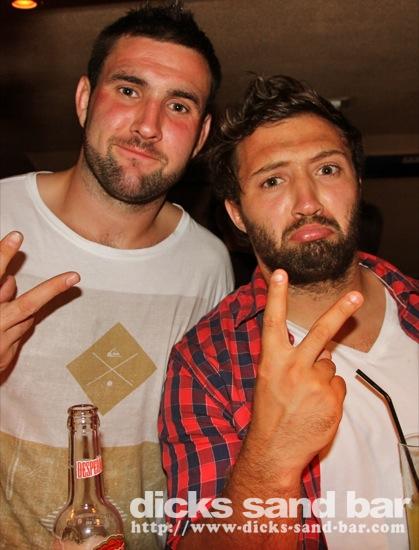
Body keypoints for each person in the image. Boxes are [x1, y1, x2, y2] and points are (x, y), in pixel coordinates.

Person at [0, 5, 234, 549]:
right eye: (129, 90)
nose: (148, 125)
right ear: (85, 99)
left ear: (201, 135)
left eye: (178, 105)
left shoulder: (209, 266)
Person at [159, 75, 419, 549]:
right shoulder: (206, 363)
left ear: (358, 184)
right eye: (273, 180)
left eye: (327, 170)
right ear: (237, 213)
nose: (307, 202)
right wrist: (273, 455)